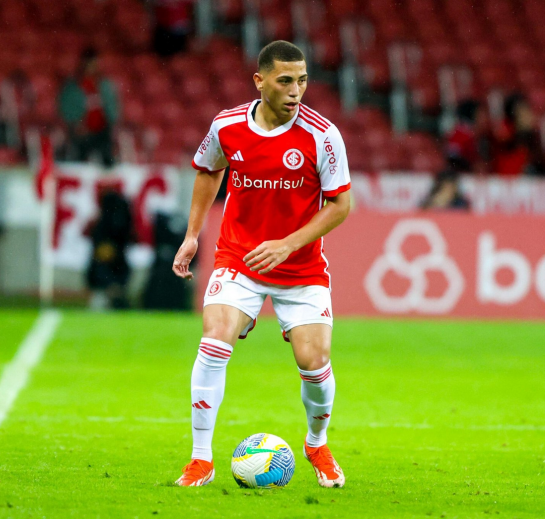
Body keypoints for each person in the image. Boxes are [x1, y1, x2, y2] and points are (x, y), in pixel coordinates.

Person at [171, 41, 351, 488]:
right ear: (260, 81)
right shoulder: (227, 125)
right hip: (240, 256)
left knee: (314, 361)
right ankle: (200, 459)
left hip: (300, 266)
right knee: (214, 339)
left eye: (302, 80)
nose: (296, 90)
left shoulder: (322, 135)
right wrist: (192, 235)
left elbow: (340, 205)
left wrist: (287, 245)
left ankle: (317, 443)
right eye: (285, 80)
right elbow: (209, 170)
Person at [57, 48, 119, 167]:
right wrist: (76, 123)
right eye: (90, 64)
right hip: (81, 131)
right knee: (79, 163)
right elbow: (66, 109)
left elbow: (113, 109)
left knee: (108, 161)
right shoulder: (72, 86)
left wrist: (112, 124)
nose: (92, 67)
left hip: (102, 131)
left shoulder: (105, 85)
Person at [492, 92, 545, 176]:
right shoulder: (506, 130)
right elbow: (504, 142)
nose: (528, 115)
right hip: (506, 175)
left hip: (524, 176)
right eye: (523, 112)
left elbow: (540, 158)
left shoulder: (532, 135)